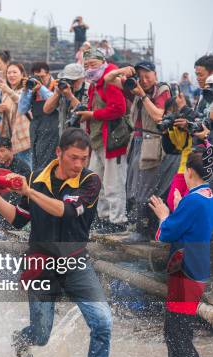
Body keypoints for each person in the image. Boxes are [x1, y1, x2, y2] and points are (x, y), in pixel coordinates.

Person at [0, 128, 113, 357]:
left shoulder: (90, 181)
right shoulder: (36, 177)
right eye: (73, 158)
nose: (78, 164)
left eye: (84, 158)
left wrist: (29, 191)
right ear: (58, 153)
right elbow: (19, 219)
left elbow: (65, 211)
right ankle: (20, 340)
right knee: (41, 335)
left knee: (103, 323)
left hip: (75, 262)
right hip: (41, 264)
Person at [148, 150, 213, 357]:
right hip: (194, 268)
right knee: (174, 331)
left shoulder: (193, 200)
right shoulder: (206, 196)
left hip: (184, 270)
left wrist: (165, 213)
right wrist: (177, 208)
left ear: (189, 171)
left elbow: (167, 232)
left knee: (178, 334)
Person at [107, 61, 177, 242]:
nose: (144, 80)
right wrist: (123, 71)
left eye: (148, 76)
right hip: (137, 141)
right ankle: (142, 228)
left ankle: (142, 231)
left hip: (153, 142)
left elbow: (159, 116)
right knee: (134, 186)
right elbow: (108, 79)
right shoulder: (135, 86)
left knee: (145, 187)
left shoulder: (162, 90)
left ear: (155, 74)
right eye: (141, 76)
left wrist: (142, 96)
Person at [75, 50, 128, 233]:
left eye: (93, 64)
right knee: (97, 181)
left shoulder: (110, 80)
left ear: (103, 62)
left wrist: (92, 114)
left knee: (114, 182)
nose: (89, 68)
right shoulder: (93, 84)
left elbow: (119, 109)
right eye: (86, 65)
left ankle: (118, 221)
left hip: (112, 139)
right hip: (97, 140)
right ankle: (104, 218)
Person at [18, 62, 58, 171]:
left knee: (48, 161)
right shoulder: (32, 88)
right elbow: (22, 109)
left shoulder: (57, 85)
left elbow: (54, 101)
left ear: (48, 73)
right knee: (36, 160)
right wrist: (26, 91)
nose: (39, 80)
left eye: (42, 77)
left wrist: (41, 88)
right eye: (37, 77)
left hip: (52, 128)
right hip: (36, 128)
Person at [0, 62, 32, 168]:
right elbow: (5, 119)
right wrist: (1, 111)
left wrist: (7, 89)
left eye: (15, 72)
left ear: (22, 74)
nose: (11, 75)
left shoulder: (26, 90)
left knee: (28, 170)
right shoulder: (5, 94)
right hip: (14, 140)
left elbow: (22, 103)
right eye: (9, 73)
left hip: (26, 138)